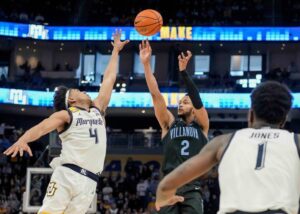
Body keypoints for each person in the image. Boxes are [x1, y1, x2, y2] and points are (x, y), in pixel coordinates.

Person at [3, 30, 129, 214]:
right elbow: (42, 127)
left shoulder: (97, 110)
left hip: (90, 181)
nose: (83, 91)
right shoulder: (67, 115)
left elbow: (108, 80)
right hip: (68, 175)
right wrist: (23, 139)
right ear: (71, 100)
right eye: (77, 90)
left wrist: (116, 51)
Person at [155, 81, 300, 214]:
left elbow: (168, 183)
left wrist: (162, 195)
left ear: (250, 115)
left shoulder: (223, 142)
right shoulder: (296, 141)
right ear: (284, 120)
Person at [139, 40, 209, 214]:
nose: (180, 105)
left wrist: (184, 73)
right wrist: (146, 65)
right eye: (179, 102)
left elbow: (198, 102)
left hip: (192, 187)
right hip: (169, 185)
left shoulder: (202, 126)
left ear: (193, 108)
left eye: (185, 102)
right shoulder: (169, 123)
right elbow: (155, 95)